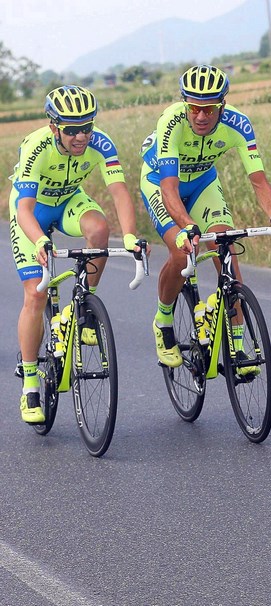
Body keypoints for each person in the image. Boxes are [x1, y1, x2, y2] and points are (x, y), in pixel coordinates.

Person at [139, 64, 271, 368]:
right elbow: (169, 188)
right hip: (161, 182)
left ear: (221, 105)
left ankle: (236, 344)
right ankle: (163, 320)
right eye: (194, 108)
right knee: (180, 251)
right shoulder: (171, 121)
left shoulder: (239, 125)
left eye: (209, 108)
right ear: (185, 104)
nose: (200, 116)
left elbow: (259, 181)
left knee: (225, 244)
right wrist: (187, 226)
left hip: (202, 183)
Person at [9, 85, 144, 423]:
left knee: (99, 230)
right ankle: (29, 388)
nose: (81, 136)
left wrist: (129, 236)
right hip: (33, 212)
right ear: (54, 127)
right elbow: (23, 208)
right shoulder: (36, 147)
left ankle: (82, 308)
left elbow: (119, 191)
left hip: (69, 201)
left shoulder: (100, 143)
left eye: (87, 127)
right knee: (35, 295)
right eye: (72, 130)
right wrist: (39, 240)